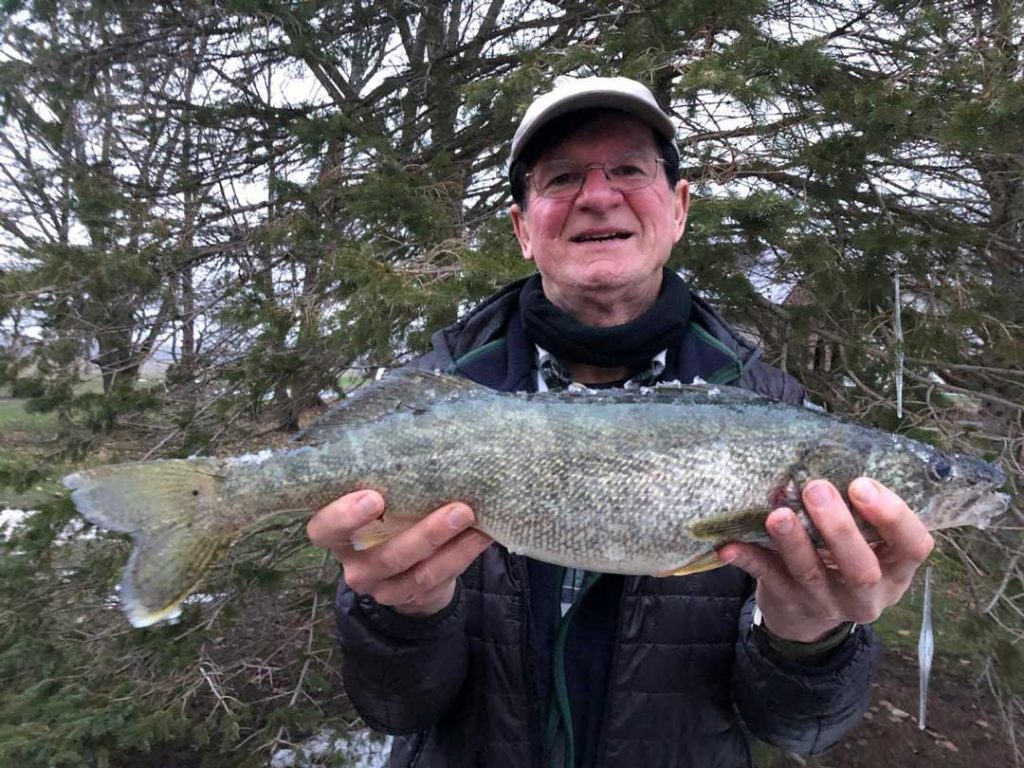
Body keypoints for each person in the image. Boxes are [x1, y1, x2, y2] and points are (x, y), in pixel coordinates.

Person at [306, 76, 935, 767]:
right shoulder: (429, 407)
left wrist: (811, 638)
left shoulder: (779, 420)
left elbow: (797, 731)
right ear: (522, 228)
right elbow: (396, 707)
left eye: (630, 170)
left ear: (679, 208)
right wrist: (402, 616)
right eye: (562, 177)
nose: (598, 195)